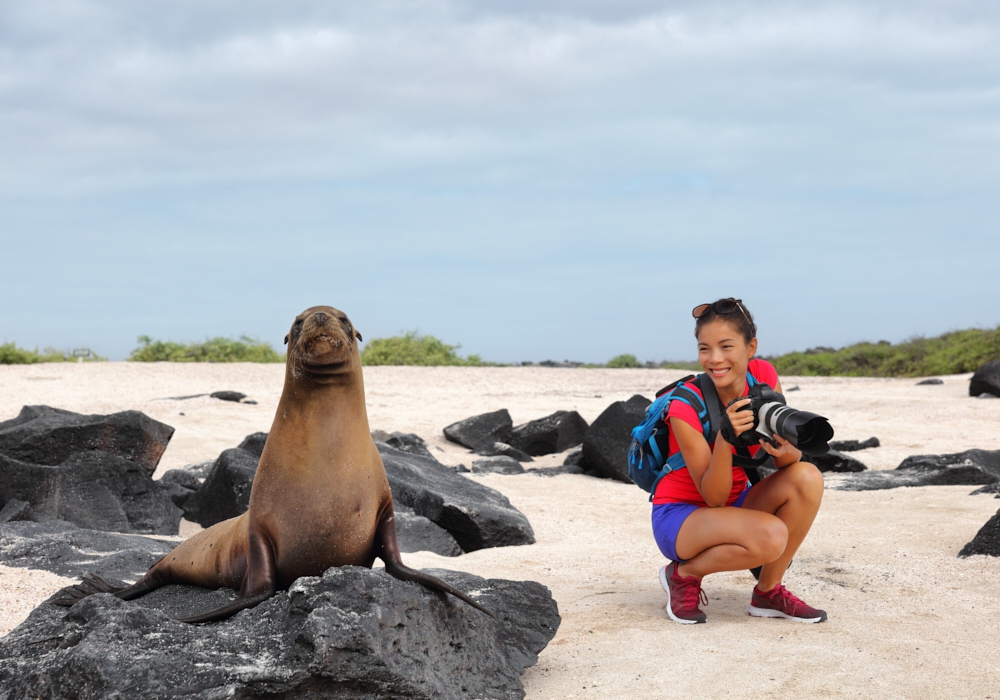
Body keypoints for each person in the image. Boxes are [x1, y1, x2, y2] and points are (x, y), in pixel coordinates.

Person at [651, 298, 827, 624]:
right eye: (705, 349)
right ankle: (683, 574)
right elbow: (713, 498)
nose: (715, 359)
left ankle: (768, 593)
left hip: (735, 504)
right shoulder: (684, 407)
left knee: (807, 477)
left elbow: (788, 462)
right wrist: (724, 436)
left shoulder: (762, 376)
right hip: (682, 515)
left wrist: (782, 447)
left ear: (751, 347)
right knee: (771, 536)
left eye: (726, 346)